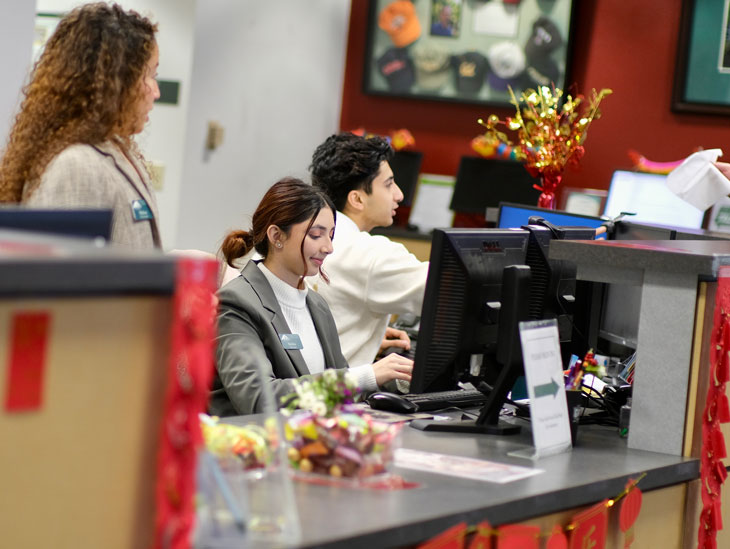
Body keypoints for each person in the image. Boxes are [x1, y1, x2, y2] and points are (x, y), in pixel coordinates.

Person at [209, 178, 414, 416]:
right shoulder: (237, 303)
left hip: (307, 442)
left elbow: (339, 392)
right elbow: (259, 398)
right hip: (251, 445)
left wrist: (398, 377)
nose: (329, 247)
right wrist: (366, 375)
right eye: (316, 235)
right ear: (277, 236)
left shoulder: (316, 305)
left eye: (331, 235)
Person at [0, 2, 162, 249]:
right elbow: (62, 277)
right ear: (115, 82)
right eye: (149, 76)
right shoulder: (75, 166)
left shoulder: (120, 153)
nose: (156, 91)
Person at [309, 132, 429, 374]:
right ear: (357, 199)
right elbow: (448, 291)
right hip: (333, 397)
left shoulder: (305, 235)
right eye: (388, 184)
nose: (399, 195)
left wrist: (365, 338)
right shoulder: (371, 254)